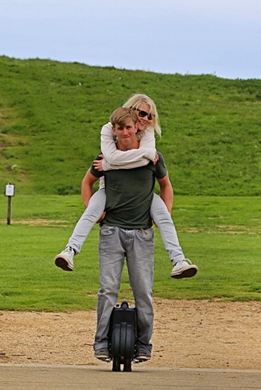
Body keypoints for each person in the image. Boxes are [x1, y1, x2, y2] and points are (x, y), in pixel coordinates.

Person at [54, 94, 198, 279]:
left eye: (150, 116)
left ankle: (178, 260)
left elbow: (166, 184)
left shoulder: (148, 140)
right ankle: (70, 250)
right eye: (143, 113)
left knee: (164, 216)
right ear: (131, 111)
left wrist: (165, 211)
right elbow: (91, 177)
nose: (146, 119)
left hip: (143, 196)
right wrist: (107, 167)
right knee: (90, 212)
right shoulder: (111, 136)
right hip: (110, 192)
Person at [83, 107, 169, 362]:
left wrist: (161, 216)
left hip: (141, 233)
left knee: (143, 291)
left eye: (129, 127)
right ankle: (100, 342)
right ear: (114, 130)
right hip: (111, 232)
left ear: (136, 128)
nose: (125, 131)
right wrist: (93, 210)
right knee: (107, 288)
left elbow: (166, 186)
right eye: (119, 128)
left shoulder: (152, 157)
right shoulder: (106, 157)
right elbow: (87, 182)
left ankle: (144, 344)